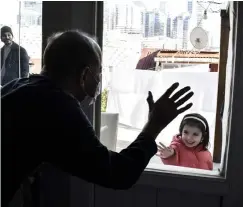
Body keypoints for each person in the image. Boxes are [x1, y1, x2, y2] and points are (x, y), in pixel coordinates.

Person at [1, 30, 194, 205]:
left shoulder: (19, 86)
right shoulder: (58, 106)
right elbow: (119, 173)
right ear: (85, 74)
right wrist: (155, 124)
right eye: (98, 73)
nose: (99, 81)